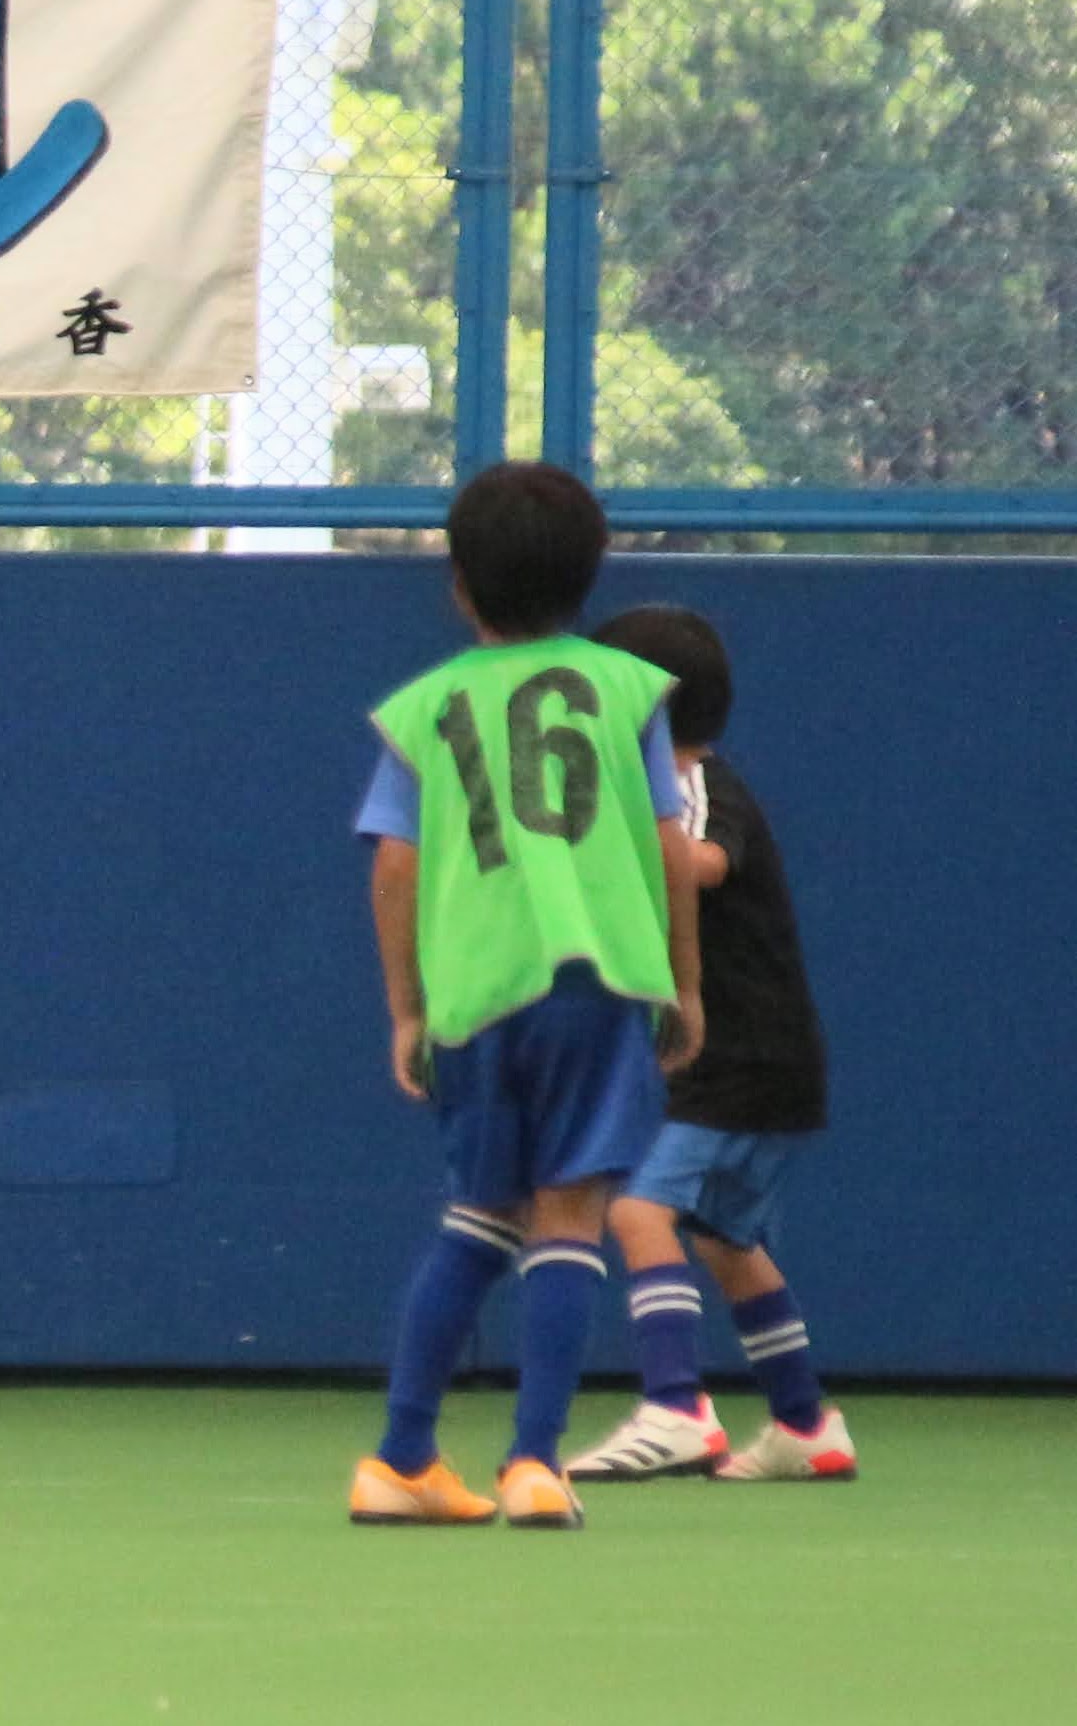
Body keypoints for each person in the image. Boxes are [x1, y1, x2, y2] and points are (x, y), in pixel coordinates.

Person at [346, 462, 704, 1530]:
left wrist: (406, 1008)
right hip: (596, 981)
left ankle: (400, 1456)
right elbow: (668, 848)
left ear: (458, 584)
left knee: (475, 1214)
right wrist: (683, 984)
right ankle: (534, 1461)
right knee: (568, 1218)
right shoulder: (626, 691)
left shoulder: (425, 708)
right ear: (590, 576)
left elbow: (394, 864)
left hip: (478, 989)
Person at [565, 604, 855, 1483]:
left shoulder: (690, 784)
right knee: (726, 1238)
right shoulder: (660, 789)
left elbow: (701, 863)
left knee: (636, 1208)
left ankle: (675, 1408)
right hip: (766, 1059)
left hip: (740, 1056)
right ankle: (805, 1426)